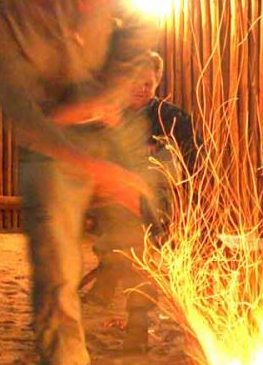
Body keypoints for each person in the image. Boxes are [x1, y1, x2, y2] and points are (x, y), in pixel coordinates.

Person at [0, 0, 159, 365]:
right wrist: (92, 165)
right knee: (55, 268)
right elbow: (22, 112)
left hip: (113, 121)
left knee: (149, 235)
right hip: (51, 143)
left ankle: (175, 340)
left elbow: (141, 26)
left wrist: (106, 96)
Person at [84, 51, 198, 308]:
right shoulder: (108, 118)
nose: (142, 89)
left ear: (157, 82)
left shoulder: (172, 119)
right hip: (110, 199)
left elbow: (194, 160)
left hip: (159, 202)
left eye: (148, 83)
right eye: (136, 82)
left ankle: (133, 306)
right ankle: (112, 282)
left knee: (136, 232)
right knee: (120, 228)